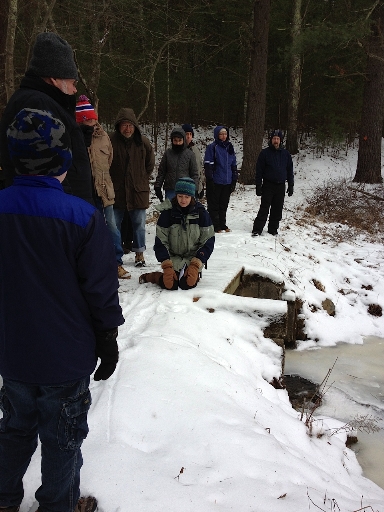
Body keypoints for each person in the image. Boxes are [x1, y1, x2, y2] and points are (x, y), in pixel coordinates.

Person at [0, 108, 124, 512]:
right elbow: (101, 288)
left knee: (14, 430)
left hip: (14, 353)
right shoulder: (82, 216)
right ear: (63, 161)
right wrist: (107, 334)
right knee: (62, 439)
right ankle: (58, 505)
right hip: (65, 358)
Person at [0, 32, 94, 204]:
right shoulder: (37, 105)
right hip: (57, 210)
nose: (75, 90)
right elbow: (42, 166)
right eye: (73, 83)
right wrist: (69, 210)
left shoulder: (46, 103)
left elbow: (52, 149)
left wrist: (78, 136)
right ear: (55, 78)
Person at [76, 95, 130, 280]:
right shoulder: (75, 137)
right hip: (84, 193)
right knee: (90, 230)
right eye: (86, 119)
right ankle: (94, 264)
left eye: (92, 118)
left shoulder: (103, 136)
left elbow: (109, 159)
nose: (91, 122)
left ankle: (117, 263)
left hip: (104, 191)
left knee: (112, 228)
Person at [139, 177, 215, 290]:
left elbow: (207, 240)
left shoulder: (201, 214)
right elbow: (161, 241)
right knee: (170, 285)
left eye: (187, 197)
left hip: (193, 258)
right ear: (176, 195)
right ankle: (153, 277)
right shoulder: (167, 214)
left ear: (192, 197)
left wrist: (196, 263)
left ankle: (195, 275)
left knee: (187, 284)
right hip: (172, 258)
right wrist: (166, 265)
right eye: (180, 196)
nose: (183, 200)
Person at [109, 108, 155, 268]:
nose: (127, 129)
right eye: (124, 125)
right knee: (113, 225)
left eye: (130, 125)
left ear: (135, 126)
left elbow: (150, 165)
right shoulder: (110, 141)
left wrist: (140, 178)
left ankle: (140, 254)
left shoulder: (143, 143)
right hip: (116, 192)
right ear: (118, 126)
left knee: (139, 225)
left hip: (138, 192)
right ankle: (115, 257)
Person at [252, 129, 294, 236]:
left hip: (280, 185)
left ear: (281, 140)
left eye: (278, 139)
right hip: (268, 185)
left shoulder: (286, 154)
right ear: (271, 140)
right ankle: (257, 229)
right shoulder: (264, 153)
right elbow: (259, 170)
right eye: (274, 138)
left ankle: (273, 229)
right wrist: (258, 185)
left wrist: (291, 184)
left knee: (277, 208)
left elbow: (289, 170)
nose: (276, 141)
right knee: (264, 208)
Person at [204, 126, 238, 233]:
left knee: (224, 204)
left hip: (227, 181)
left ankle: (222, 224)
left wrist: (234, 180)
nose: (223, 136)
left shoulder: (229, 147)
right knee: (214, 205)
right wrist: (210, 179)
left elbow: (233, 165)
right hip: (216, 181)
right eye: (221, 134)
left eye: (225, 134)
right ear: (217, 135)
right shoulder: (212, 147)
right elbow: (208, 165)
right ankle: (215, 225)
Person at [154, 127, 199, 202]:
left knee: (184, 212)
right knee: (169, 212)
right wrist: (158, 186)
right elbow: (162, 172)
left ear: (183, 140)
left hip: (185, 190)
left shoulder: (190, 154)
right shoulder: (167, 154)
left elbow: (194, 174)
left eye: (179, 140)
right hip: (170, 189)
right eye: (175, 140)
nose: (177, 143)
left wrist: (195, 188)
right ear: (172, 140)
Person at [182, 123, 204, 198]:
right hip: (181, 188)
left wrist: (200, 187)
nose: (188, 136)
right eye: (186, 134)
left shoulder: (195, 150)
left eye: (190, 134)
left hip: (194, 187)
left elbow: (199, 169)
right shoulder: (177, 150)